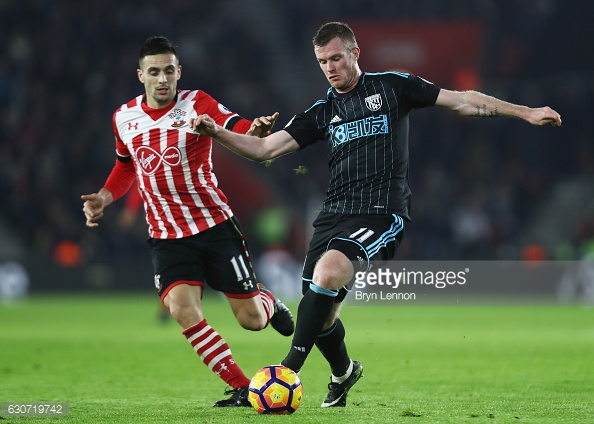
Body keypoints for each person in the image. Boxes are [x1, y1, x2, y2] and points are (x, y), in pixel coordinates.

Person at [190, 21, 562, 408]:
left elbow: (462, 100)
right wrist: (216, 132)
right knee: (320, 314)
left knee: (328, 274)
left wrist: (525, 112)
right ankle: (344, 372)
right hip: (333, 215)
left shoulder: (392, 86)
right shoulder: (321, 112)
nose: (330, 67)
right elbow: (264, 149)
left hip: (382, 213)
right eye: (322, 61)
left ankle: (288, 371)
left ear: (355, 53)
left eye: (336, 57)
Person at [81, 36, 294, 407]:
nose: (162, 79)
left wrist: (256, 130)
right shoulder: (123, 118)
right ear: (141, 76)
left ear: (179, 72)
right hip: (166, 235)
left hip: (214, 226)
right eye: (154, 72)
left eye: (168, 71)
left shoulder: (198, 103)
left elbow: (238, 126)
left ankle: (269, 302)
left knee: (252, 321)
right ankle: (243, 386)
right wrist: (103, 196)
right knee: (181, 308)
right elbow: (125, 165)